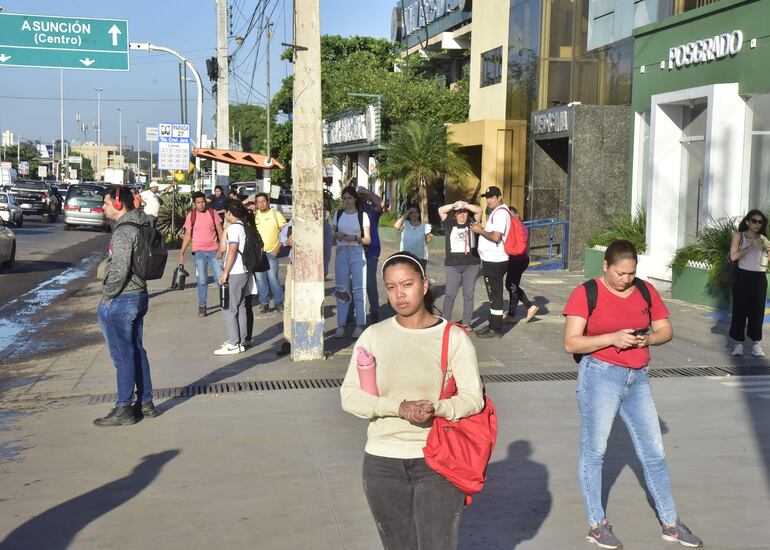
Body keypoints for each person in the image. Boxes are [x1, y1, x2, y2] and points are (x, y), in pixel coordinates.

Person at [563, 239, 702, 549]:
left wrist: (648, 340)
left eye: (631, 273)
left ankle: (670, 523)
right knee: (594, 452)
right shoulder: (587, 293)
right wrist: (612, 337)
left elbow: (666, 330)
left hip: (638, 378)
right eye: (620, 274)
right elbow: (572, 343)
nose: (626, 280)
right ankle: (597, 524)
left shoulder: (644, 289)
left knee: (654, 453)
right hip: (599, 376)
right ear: (606, 266)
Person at [340, 251, 484, 550]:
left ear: (425, 284)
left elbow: (473, 398)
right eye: (391, 287)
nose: (399, 294)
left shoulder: (452, 337)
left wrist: (438, 409)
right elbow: (350, 396)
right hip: (382, 463)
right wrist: (398, 408)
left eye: (406, 284)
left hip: (438, 461)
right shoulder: (374, 336)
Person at [93, 186, 156, 427]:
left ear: (119, 204)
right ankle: (146, 402)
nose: (104, 207)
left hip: (122, 299)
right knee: (137, 350)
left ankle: (124, 407)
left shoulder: (122, 232)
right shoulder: (141, 224)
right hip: (139, 295)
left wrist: (106, 295)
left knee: (123, 355)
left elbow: (118, 271)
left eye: (107, 203)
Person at [729, 209, 770, 357]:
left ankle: (756, 344)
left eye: (760, 222)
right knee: (740, 310)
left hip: (759, 277)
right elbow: (733, 257)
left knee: (757, 312)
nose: (757, 224)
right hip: (743, 276)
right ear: (747, 221)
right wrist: (752, 245)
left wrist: (768, 250)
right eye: (754, 221)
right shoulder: (739, 236)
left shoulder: (764, 238)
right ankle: (738, 343)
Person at [470, 185, 510, 338]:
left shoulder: (500, 214)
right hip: (492, 259)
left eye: (492, 197)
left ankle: (495, 328)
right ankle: (493, 324)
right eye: (487, 197)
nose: (489, 200)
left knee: (495, 295)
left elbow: (496, 237)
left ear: (499, 197)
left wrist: (480, 231)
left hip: (495, 260)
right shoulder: (498, 212)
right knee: (494, 294)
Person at [214, 200, 253, 355]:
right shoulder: (242, 227)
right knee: (241, 306)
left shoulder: (234, 229)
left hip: (235, 272)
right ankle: (241, 341)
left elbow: (231, 250)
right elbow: (224, 247)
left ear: (229, 213)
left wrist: (225, 273)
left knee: (229, 309)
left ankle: (233, 343)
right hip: (244, 272)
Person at [179, 191, 225, 318]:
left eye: (203, 202)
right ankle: (202, 306)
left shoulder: (212, 213)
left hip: (214, 251)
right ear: (194, 204)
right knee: (202, 280)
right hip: (198, 253)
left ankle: (225, 303)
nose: (201, 205)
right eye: (198, 203)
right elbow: (188, 235)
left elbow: (221, 231)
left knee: (220, 279)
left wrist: (222, 248)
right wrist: (181, 253)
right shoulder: (191, 216)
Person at [333, 186, 371, 339]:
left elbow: (368, 240)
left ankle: (360, 324)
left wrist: (355, 238)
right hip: (342, 252)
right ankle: (341, 325)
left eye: (349, 198)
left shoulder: (363, 216)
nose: (347, 201)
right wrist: (338, 234)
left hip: (357, 252)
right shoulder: (338, 214)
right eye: (344, 198)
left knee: (359, 288)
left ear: (355, 199)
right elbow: (333, 235)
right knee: (341, 289)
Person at [438, 199, 482, 328]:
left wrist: (466, 205)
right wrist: (454, 205)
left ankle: (466, 323)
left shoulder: (472, 223)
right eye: (459, 212)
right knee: (450, 294)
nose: (462, 214)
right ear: (455, 214)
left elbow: (479, 210)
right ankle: (445, 322)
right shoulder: (449, 223)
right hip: (453, 265)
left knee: (468, 295)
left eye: (464, 212)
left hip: (471, 264)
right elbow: (440, 210)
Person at [505, 206, 539, 323]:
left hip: (516, 259)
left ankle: (529, 307)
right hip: (523, 259)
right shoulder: (523, 227)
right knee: (512, 286)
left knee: (511, 286)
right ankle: (513, 314)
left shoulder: (517, 227)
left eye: (509, 216)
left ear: (516, 215)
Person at [254, 192, 287, 313]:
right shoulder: (254, 216)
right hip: (258, 254)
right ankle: (264, 303)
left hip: (272, 253)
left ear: (267, 202)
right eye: (259, 202)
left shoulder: (275, 214)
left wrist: (277, 248)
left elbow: (285, 231)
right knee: (260, 279)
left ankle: (279, 303)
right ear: (256, 204)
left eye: (263, 201)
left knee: (273, 278)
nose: (261, 204)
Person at [359, 186, 384, 323]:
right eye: (359, 195)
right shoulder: (354, 209)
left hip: (372, 249)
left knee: (370, 282)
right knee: (353, 283)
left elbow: (381, 204)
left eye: (363, 195)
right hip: (355, 249)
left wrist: (368, 192)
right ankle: (350, 313)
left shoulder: (372, 210)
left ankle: (374, 311)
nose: (361, 197)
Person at [394, 205, 432, 271]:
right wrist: (407, 213)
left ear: (418, 214)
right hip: (406, 256)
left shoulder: (425, 226)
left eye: (415, 212)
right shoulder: (405, 224)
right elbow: (396, 226)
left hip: (420, 257)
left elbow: (428, 240)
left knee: (419, 277)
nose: (413, 214)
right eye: (411, 213)